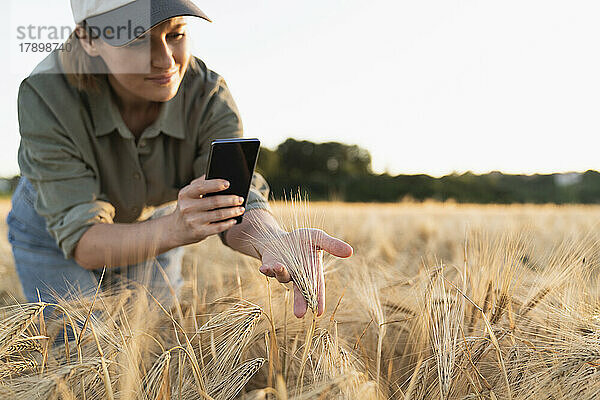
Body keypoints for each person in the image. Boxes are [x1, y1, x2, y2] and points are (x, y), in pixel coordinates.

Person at [7, 0, 353, 318]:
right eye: (136, 40)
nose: (165, 60)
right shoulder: (46, 94)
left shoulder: (208, 95)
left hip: (156, 222)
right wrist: (173, 229)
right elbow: (82, 240)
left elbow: (233, 198)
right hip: (52, 232)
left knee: (151, 341)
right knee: (76, 347)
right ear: (87, 38)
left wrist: (273, 241)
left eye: (176, 34)